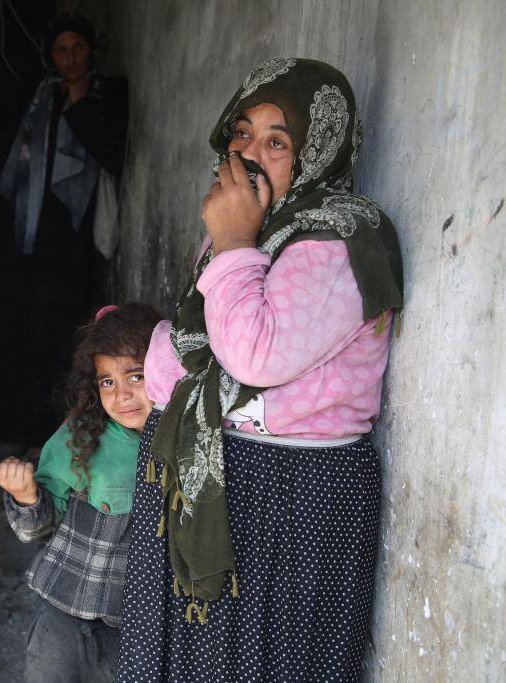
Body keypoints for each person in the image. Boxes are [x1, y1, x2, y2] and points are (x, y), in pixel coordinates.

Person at [118, 59, 403, 682]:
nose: (249, 154)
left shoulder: (339, 238)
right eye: (242, 133)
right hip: (227, 474)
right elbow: (186, 355)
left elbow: (250, 355)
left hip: (293, 494)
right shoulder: (251, 229)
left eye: (277, 142)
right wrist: (231, 248)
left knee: (265, 662)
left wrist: (232, 245)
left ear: (316, 151)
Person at [0, 13, 128, 451]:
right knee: (16, 325)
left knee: (59, 327)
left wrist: (81, 103)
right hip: (22, 233)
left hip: (70, 236)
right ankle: (8, 420)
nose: (70, 58)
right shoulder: (36, 94)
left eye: (78, 48)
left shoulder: (108, 92)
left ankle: (51, 425)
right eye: (61, 50)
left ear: (91, 50)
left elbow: (111, 153)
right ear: (50, 56)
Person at [0, 303, 161, 683]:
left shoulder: (188, 446)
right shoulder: (79, 440)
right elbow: (35, 530)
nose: (122, 395)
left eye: (136, 376)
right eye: (107, 381)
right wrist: (25, 496)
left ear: (166, 369)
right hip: (61, 614)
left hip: (134, 627)